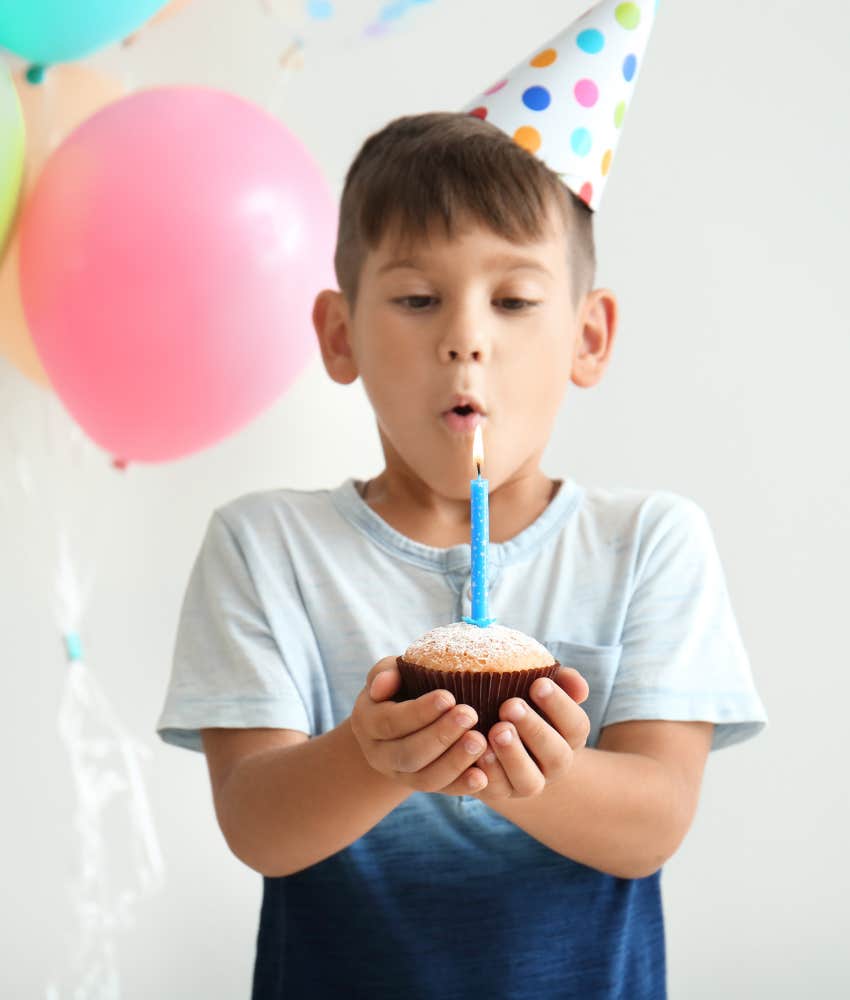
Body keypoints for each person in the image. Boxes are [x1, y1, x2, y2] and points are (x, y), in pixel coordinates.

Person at [157, 3, 767, 997]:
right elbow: (257, 826)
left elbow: (653, 822)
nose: (465, 339)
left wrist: (541, 768)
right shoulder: (265, 546)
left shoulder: (649, 544)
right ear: (339, 334)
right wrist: (369, 753)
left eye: (515, 300)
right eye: (415, 298)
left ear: (589, 337)